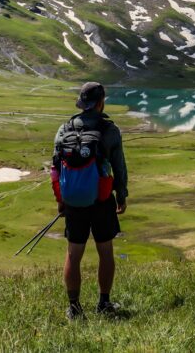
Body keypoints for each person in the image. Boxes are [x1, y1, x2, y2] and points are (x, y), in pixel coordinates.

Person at [50, 82, 128, 320]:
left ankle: (74, 308)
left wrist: (62, 201)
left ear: (82, 102)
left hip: (73, 201)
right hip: (102, 200)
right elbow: (119, 166)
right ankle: (104, 303)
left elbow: (56, 169)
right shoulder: (109, 130)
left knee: (73, 254)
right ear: (101, 102)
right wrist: (121, 195)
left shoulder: (64, 130)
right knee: (105, 252)